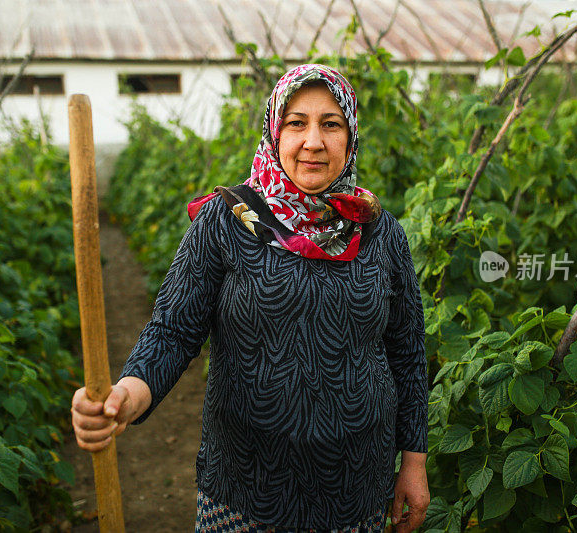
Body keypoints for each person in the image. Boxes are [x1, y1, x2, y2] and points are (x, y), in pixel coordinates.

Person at [71, 64, 430, 532]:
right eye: (297, 123)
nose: (313, 142)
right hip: (244, 489)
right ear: (274, 131)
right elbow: (173, 331)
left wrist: (414, 464)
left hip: (357, 490)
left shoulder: (380, 231)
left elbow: (407, 352)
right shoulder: (226, 221)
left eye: (331, 124)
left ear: (351, 135)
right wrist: (125, 396)